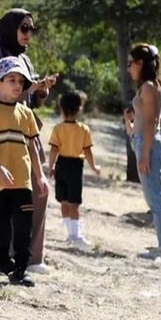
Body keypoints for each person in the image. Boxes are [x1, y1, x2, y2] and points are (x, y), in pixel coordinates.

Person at [0, 8, 56, 275]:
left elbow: (28, 98)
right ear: (10, 27)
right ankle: (9, 256)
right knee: (6, 202)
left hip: (26, 129)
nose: (28, 34)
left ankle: (33, 257)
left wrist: (40, 91)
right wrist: (23, 87)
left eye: (32, 29)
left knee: (38, 190)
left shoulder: (25, 58)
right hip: (1, 137)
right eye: (24, 28)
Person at [0, 56, 49, 287]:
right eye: (12, 79)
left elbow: (33, 147)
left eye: (21, 80)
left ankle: (20, 268)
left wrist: (39, 176)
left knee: (23, 224)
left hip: (22, 181)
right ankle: (1, 257)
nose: (18, 85)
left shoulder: (27, 114)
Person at [123, 43, 161, 259]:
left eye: (130, 63)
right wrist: (130, 125)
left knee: (157, 199)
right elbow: (145, 123)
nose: (128, 68)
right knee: (154, 199)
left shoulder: (150, 87)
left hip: (149, 146)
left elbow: (152, 122)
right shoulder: (150, 86)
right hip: (144, 142)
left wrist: (143, 154)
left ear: (141, 63)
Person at [48, 91, 100, 247]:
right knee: (74, 203)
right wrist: (94, 167)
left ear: (62, 109)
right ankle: (75, 235)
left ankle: (68, 231)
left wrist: (50, 166)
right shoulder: (83, 129)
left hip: (61, 165)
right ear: (79, 109)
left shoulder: (58, 128)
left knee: (63, 200)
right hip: (75, 167)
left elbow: (53, 150)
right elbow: (88, 152)